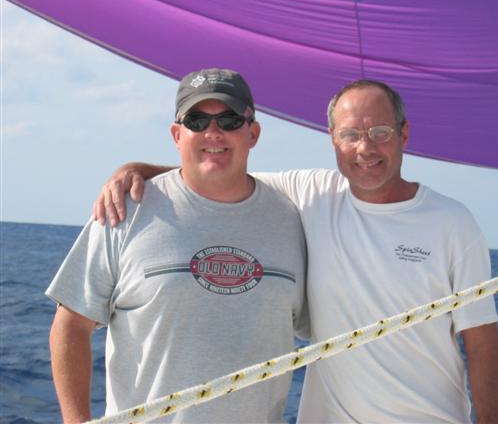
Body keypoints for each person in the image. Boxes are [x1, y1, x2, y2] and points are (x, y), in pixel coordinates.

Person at [95, 80, 498, 423]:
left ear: (403, 134)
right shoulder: (312, 194)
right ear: (333, 140)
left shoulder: (452, 223)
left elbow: (483, 346)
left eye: (380, 133)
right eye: (350, 135)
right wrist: (136, 171)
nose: (365, 148)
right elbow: (220, 171)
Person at [46, 68, 308, 423]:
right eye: (197, 121)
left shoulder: (293, 218)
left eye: (229, 120)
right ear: (177, 134)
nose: (213, 132)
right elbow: (71, 324)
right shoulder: (124, 209)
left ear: (253, 133)